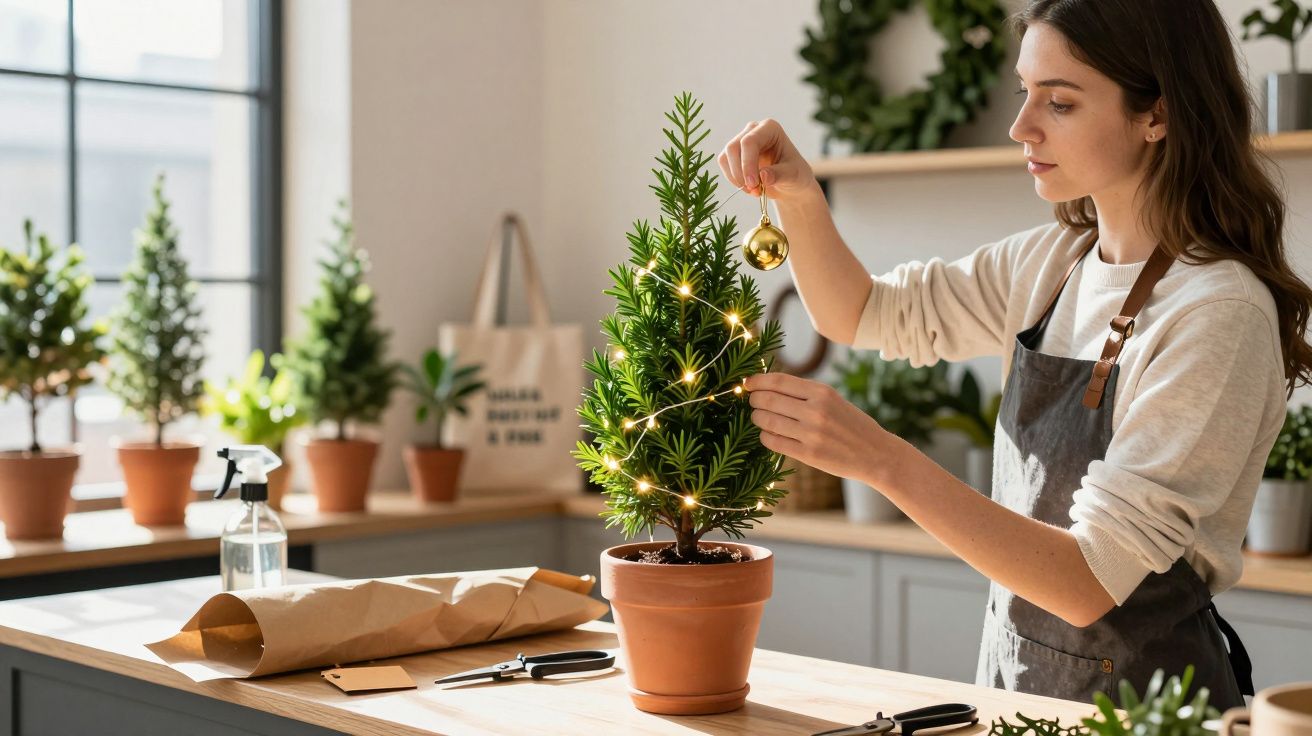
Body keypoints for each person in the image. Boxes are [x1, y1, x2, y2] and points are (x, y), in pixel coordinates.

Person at [721, 0, 1312, 708]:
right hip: (1018, 698)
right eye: (1024, 92)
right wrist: (800, 197)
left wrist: (882, 459)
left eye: (1059, 102)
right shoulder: (1052, 262)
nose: (1020, 126)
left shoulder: (1216, 312)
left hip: (1146, 714)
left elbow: (1086, 579)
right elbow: (864, 312)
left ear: (1157, 114)